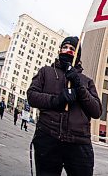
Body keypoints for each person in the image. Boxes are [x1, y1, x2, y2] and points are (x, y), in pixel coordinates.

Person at [27, 36, 103, 176]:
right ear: (60, 50)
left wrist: (78, 85)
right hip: (48, 138)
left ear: (77, 56)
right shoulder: (46, 71)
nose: (67, 51)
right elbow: (32, 96)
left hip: (79, 143)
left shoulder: (87, 81)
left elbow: (96, 110)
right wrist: (57, 100)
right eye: (65, 47)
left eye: (72, 49)